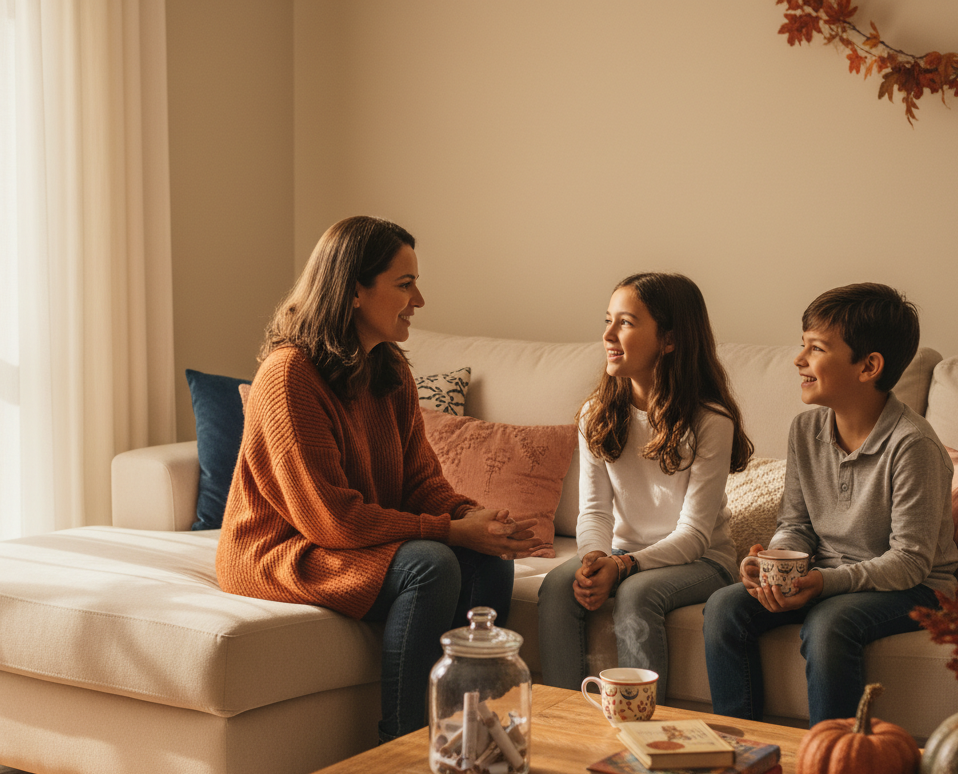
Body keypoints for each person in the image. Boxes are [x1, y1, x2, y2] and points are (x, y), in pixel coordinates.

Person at [216, 216, 543, 742]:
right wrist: (449, 533)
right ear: (353, 292)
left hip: (347, 539)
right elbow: (332, 519)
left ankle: (465, 731)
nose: (419, 301)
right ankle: (402, 744)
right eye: (405, 284)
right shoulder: (289, 375)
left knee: (488, 559)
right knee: (431, 565)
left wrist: (473, 518)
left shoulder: (390, 370)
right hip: (284, 548)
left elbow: (420, 482)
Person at [703, 282, 958, 725]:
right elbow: (796, 523)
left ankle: (830, 753)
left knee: (828, 625)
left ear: (869, 366)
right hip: (823, 573)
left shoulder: (913, 446)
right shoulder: (806, 431)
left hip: (915, 588)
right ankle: (742, 749)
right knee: (725, 607)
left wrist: (822, 582)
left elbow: (910, 562)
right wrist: (775, 559)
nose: (798, 360)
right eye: (802, 346)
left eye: (816, 349)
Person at [538, 272, 752, 701]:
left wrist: (624, 567)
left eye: (626, 323)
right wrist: (594, 557)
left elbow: (693, 536)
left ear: (669, 340)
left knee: (637, 594)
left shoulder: (710, 421)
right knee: (557, 586)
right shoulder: (595, 415)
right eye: (608, 320)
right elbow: (595, 512)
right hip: (623, 554)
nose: (608, 335)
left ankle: (645, 731)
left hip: (702, 561)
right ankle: (563, 720)